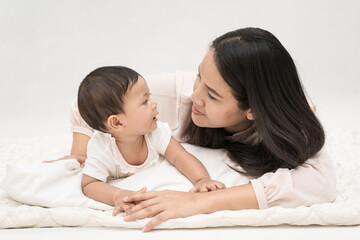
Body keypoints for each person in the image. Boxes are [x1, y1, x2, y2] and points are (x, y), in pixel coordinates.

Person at [63, 27, 336, 232]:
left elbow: (320, 184)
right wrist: (80, 152)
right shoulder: (179, 95)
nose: (194, 95)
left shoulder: (289, 121)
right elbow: (90, 101)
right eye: (199, 76)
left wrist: (198, 202)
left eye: (213, 95)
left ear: (253, 109)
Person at [73, 66, 225, 216]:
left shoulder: (156, 132)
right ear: (117, 123)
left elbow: (180, 156)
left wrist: (202, 179)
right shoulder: (101, 148)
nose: (154, 103)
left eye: (149, 96)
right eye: (145, 101)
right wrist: (117, 195)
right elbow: (90, 184)